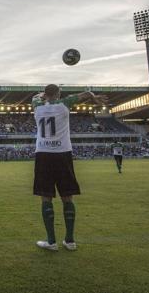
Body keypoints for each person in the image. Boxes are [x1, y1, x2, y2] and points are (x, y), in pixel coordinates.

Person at [32, 84, 106, 251]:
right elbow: (85, 94)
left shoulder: (36, 105)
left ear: (46, 94)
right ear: (58, 93)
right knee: (67, 196)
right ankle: (70, 240)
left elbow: (37, 96)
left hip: (43, 154)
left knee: (46, 197)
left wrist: (44, 94)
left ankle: (51, 242)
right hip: (63, 153)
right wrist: (93, 97)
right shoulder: (65, 104)